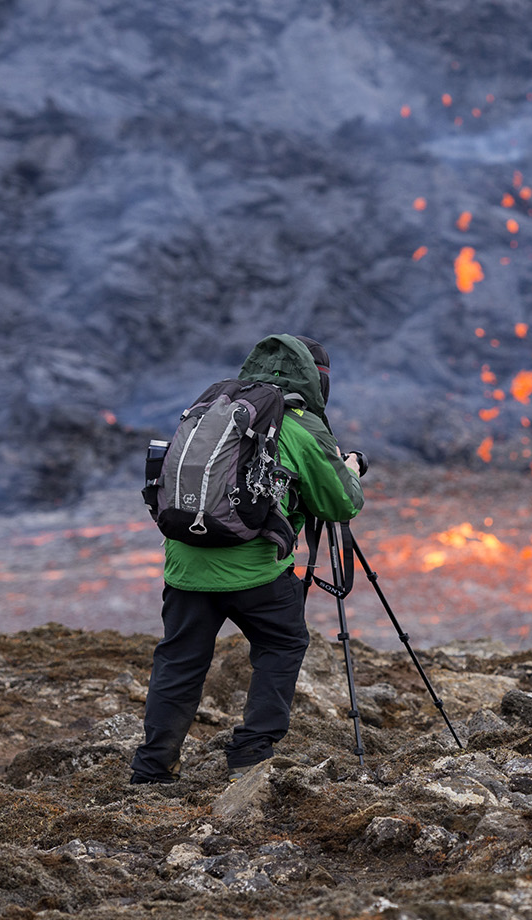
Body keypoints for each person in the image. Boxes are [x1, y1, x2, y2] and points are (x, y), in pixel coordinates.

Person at [130, 334, 365, 784]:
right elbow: (341, 505)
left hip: (186, 565)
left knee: (179, 661)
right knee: (282, 643)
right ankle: (251, 751)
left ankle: (152, 767)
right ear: (318, 381)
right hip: (254, 570)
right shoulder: (298, 425)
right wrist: (349, 467)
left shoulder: (214, 411)